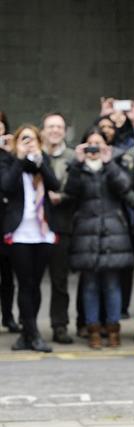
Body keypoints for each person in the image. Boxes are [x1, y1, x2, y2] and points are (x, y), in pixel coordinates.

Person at [65, 127, 134, 349]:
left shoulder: (115, 164)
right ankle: (93, 330)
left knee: (111, 285)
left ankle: (113, 329)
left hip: (113, 233)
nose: (94, 148)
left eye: (98, 143)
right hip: (86, 234)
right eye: (90, 144)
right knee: (89, 285)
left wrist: (109, 164)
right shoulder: (77, 167)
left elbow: (125, 188)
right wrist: (78, 164)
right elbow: (71, 193)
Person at [0, 124, 61, 352]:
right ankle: (34, 334)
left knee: (35, 285)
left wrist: (39, 161)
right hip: (20, 232)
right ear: (16, 142)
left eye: (32, 139)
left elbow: (55, 185)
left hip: (43, 230)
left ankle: (27, 334)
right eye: (24, 139)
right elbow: (5, 187)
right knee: (24, 284)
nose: (29, 142)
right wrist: (20, 158)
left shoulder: (41, 160)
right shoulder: (8, 161)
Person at [41, 112, 76, 344]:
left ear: (64, 130)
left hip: (61, 226)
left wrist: (62, 197)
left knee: (59, 280)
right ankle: (28, 325)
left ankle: (59, 325)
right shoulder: (34, 155)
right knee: (30, 282)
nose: (55, 130)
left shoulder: (73, 157)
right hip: (32, 227)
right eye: (50, 126)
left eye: (59, 126)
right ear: (43, 130)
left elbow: (81, 190)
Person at [0, 111, 19, 334]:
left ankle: (8, 315)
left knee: (8, 276)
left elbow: (11, 183)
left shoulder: (10, 155)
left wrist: (10, 151)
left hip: (6, 222)